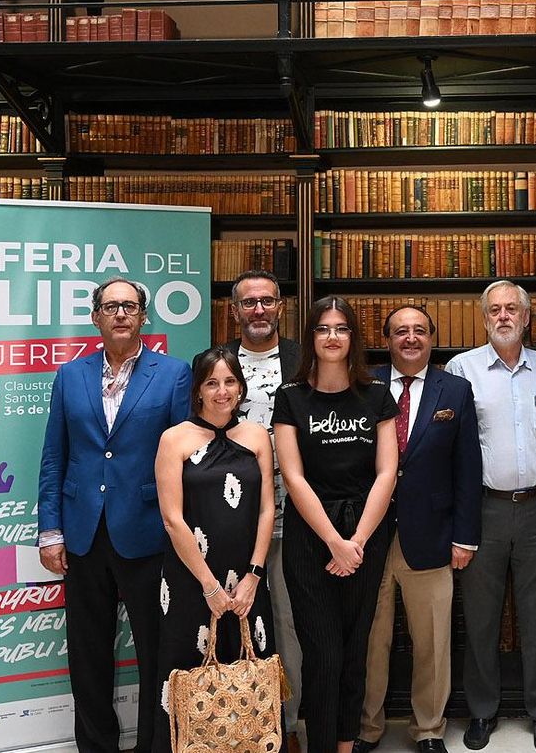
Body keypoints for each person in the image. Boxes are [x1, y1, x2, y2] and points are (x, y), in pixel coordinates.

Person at [36, 277, 191, 753]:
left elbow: (185, 456)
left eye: (130, 306)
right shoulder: (70, 375)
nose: (120, 313)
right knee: (87, 655)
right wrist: (50, 531)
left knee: (155, 651)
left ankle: (153, 745)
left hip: (148, 532)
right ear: (96, 317)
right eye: (111, 306)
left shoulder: (174, 374)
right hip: (83, 534)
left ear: (144, 316)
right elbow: (54, 458)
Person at [273, 296, 399, 753]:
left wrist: (358, 541)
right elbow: (293, 476)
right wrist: (334, 541)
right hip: (311, 537)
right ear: (311, 338)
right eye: (323, 329)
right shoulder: (290, 397)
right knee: (322, 656)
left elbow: (387, 473)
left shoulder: (377, 395)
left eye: (341, 329)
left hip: (366, 532)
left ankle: (345, 745)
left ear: (353, 338)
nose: (332, 337)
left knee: (353, 654)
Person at [357, 305, 482, 753]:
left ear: (432, 336)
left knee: (432, 639)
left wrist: (464, 536)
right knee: (370, 637)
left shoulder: (456, 389)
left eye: (418, 331)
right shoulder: (362, 384)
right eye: (399, 332)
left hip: (433, 532)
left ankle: (428, 728)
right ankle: (366, 728)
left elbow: (468, 468)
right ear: (386, 340)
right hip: (366, 535)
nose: (410, 339)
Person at [445, 280, 536, 753]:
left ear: (527, 316)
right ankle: (481, 711)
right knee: (479, 617)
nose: (503, 316)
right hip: (482, 508)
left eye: (511, 308)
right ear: (484, 317)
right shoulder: (461, 369)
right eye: (494, 309)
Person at [154, 346, 277, 753]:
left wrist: (254, 577)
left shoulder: (257, 435)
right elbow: (173, 519)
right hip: (192, 581)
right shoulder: (174, 439)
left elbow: (266, 509)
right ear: (198, 390)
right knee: (190, 678)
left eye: (229, 381)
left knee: (249, 673)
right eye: (212, 383)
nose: (222, 391)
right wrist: (209, 586)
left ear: (240, 387)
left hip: (247, 582)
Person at [221, 268, 304, 749]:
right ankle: (241, 725)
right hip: (232, 515)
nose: (258, 310)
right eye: (248, 303)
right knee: (234, 618)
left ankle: (291, 725)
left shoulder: (302, 358)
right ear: (234, 311)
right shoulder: (214, 362)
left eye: (267, 301)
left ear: (280, 306)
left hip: (297, 514)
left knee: (292, 622)